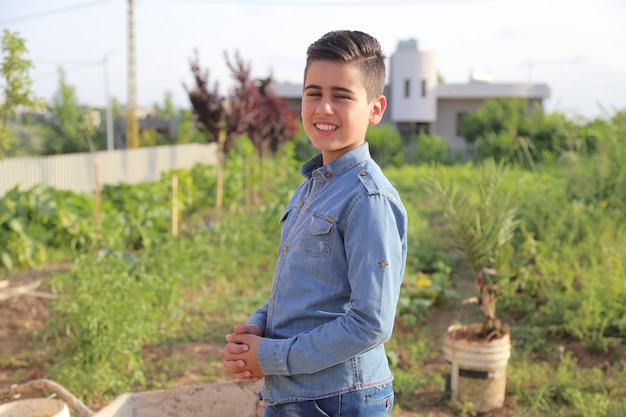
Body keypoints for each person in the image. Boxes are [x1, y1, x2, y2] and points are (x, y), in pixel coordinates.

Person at [221, 30, 408, 417]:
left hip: (338, 400)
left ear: (375, 109)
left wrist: (269, 356)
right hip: (302, 395)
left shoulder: (367, 199)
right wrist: (258, 328)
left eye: (341, 95)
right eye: (313, 93)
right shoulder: (312, 186)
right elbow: (310, 292)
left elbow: (369, 324)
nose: (323, 108)